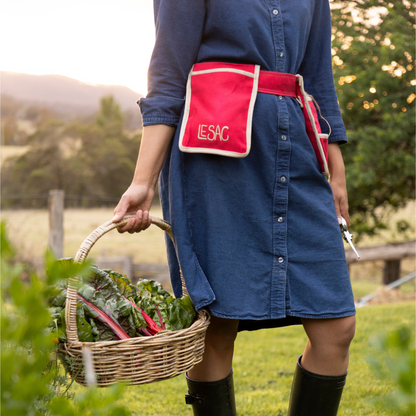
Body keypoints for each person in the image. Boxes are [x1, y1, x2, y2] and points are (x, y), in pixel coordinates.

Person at [112, 1, 356, 415]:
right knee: (217, 326)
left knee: (336, 325)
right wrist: (143, 180)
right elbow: (169, 78)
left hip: (297, 147)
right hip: (213, 160)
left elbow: (319, 80)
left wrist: (335, 168)